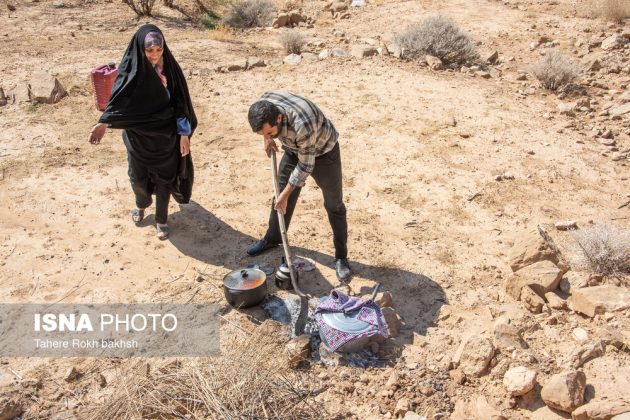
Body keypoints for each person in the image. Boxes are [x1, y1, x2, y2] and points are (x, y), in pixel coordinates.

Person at [88, 24, 197, 240]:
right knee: (138, 178)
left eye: (159, 49)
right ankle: (141, 204)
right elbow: (119, 103)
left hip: (166, 139)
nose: (155, 55)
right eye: (150, 50)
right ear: (141, 49)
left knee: (165, 179)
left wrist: (183, 134)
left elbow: (180, 103)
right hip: (137, 139)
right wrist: (104, 123)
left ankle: (161, 219)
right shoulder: (131, 72)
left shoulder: (170, 71)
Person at [246, 91, 352, 282]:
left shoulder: (303, 123)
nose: (267, 135)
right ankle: (272, 239)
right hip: (294, 149)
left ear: (279, 117)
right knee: (279, 198)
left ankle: (341, 257)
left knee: (334, 204)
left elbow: (306, 165)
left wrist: (287, 193)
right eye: (262, 133)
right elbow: (267, 127)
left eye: (270, 132)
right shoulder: (266, 104)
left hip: (324, 153)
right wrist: (267, 138)